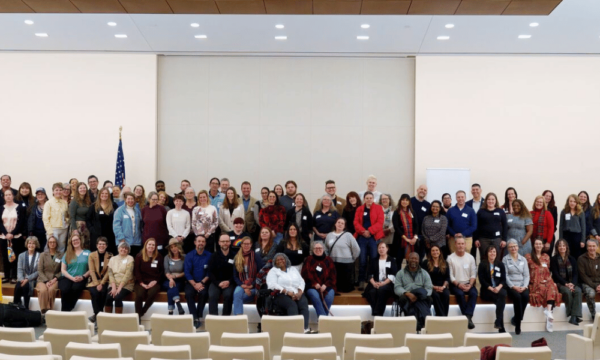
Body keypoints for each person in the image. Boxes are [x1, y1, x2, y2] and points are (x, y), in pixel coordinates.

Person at [267, 252, 311, 333]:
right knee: (292, 305)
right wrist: (287, 292)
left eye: (282, 259)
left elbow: (301, 281)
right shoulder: (273, 271)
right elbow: (272, 285)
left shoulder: (293, 269)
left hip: (297, 293)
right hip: (281, 294)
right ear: (275, 262)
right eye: (278, 260)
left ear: (286, 260)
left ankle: (304, 329)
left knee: (303, 304)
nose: (280, 261)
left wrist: (300, 292)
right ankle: (294, 330)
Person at [526, 238, 561, 332]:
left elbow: (547, 271)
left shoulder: (546, 256)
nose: (538, 246)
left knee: (552, 286)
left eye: (540, 244)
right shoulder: (528, 257)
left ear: (542, 245)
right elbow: (526, 272)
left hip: (546, 280)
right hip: (534, 282)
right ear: (534, 245)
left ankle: (549, 312)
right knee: (544, 288)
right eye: (536, 244)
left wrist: (547, 280)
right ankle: (549, 314)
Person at [354, 192, 385, 291]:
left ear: (373, 199)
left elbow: (380, 222)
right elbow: (356, 222)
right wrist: (363, 232)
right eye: (367, 198)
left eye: (371, 198)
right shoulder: (359, 209)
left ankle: (373, 280)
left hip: (373, 237)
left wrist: (370, 231)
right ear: (364, 199)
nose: (369, 200)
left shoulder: (378, 208)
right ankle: (361, 280)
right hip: (362, 237)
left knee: (373, 259)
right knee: (362, 260)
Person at [394, 252, 432, 330]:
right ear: (408, 259)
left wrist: (418, 296)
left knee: (428, 299)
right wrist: (407, 294)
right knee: (402, 299)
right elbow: (397, 288)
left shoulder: (424, 273)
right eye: (412, 258)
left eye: (416, 259)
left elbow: (429, 288)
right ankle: (421, 322)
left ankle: (416, 323)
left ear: (419, 260)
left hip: (420, 297)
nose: (414, 260)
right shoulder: (400, 273)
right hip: (407, 296)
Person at [447, 234, 477, 329]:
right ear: (455, 244)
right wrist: (459, 284)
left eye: (462, 244)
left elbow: (473, 274)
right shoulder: (450, 258)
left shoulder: (470, 257)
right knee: (460, 294)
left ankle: (467, 317)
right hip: (455, 284)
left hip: (468, 283)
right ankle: (468, 318)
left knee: (474, 293)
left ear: (465, 245)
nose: (460, 246)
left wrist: (470, 284)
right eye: (459, 244)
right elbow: (450, 276)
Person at [551, 239, 582, 325]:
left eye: (563, 245)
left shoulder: (572, 259)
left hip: (571, 283)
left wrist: (572, 284)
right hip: (560, 283)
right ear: (557, 247)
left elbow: (576, 273)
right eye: (560, 245)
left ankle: (573, 317)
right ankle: (573, 315)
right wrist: (566, 284)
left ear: (566, 247)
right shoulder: (553, 259)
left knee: (578, 291)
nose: (562, 247)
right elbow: (556, 274)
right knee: (567, 292)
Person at [502, 239, 530, 335]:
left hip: (522, 285)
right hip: (511, 286)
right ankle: (518, 324)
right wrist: (513, 286)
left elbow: (526, 275)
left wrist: (525, 286)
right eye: (511, 247)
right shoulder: (505, 259)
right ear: (508, 248)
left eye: (515, 246)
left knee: (526, 296)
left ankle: (516, 318)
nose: (513, 248)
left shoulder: (523, 259)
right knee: (517, 297)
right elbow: (505, 275)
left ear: (518, 247)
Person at [325, 218, 360, 293]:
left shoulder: (348, 235)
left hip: (346, 264)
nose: (340, 224)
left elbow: (356, 249)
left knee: (346, 288)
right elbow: (326, 249)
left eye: (342, 223)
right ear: (335, 224)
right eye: (338, 222)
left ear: (344, 226)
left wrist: (352, 259)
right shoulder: (329, 235)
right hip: (333, 263)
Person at [302, 242, 336, 318]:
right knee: (315, 296)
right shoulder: (308, 259)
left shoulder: (329, 260)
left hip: (327, 286)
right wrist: (314, 284)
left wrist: (325, 285)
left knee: (329, 297)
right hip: (311, 286)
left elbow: (333, 276)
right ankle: (324, 320)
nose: (318, 250)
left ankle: (321, 320)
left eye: (320, 248)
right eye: (316, 248)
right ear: (313, 250)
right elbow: (305, 274)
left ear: (323, 249)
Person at [363, 242, 397, 316]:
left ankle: (377, 313)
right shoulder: (373, 260)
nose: (381, 249)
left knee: (381, 290)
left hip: (387, 284)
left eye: (383, 247)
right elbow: (369, 274)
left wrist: (383, 283)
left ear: (387, 249)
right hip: (375, 283)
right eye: (379, 248)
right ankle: (377, 313)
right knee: (372, 292)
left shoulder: (392, 260)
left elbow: (393, 275)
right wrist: (374, 283)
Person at [478, 245, 507, 333]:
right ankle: (500, 325)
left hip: (498, 289)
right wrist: (491, 288)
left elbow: (503, 279)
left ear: (496, 253)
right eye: (490, 251)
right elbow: (481, 279)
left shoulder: (500, 264)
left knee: (502, 295)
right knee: (500, 300)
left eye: (494, 251)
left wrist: (498, 287)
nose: (492, 253)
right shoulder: (482, 264)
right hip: (487, 290)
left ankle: (499, 323)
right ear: (487, 253)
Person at [184, 235, 211, 329]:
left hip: (204, 282)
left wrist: (201, 283)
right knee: (188, 293)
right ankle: (194, 317)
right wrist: (195, 284)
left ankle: (199, 316)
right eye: (199, 241)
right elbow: (187, 272)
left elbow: (210, 272)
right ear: (195, 242)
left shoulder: (209, 255)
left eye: (203, 241)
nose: (201, 243)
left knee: (203, 293)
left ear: (205, 243)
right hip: (192, 282)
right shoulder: (189, 255)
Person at [59, 234, 91, 311]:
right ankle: (64, 312)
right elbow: (63, 270)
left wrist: (83, 277)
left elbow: (91, 269)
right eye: (73, 240)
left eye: (77, 239)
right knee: (65, 290)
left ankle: (68, 309)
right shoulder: (67, 253)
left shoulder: (88, 253)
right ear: (71, 243)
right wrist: (72, 278)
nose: (75, 241)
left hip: (82, 278)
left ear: (80, 240)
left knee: (75, 288)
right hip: (68, 277)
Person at [134, 238, 164, 321]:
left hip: (154, 281)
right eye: (149, 244)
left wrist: (155, 281)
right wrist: (142, 283)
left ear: (155, 247)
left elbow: (161, 272)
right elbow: (136, 271)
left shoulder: (159, 257)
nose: (151, 246)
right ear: (146, 245)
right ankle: (138, 317)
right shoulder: (139, 256)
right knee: (139, 295)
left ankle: (141, 312)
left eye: (153, 245)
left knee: (152, 293)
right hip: (141, 281)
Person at [0, 188, 26, 282]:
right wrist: (6, 233)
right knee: (5, 257)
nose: (8, 196)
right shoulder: (1, 208)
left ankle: (14, 276)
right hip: (4, 237)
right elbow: (0, 223)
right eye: (6, 195)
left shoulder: (19, 207)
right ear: (4, 197)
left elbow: (21, 222)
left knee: (15, 256)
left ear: (13, 196)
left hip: (16, 236)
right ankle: (7, 276)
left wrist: (13, 233)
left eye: (9, 195)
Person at [233, 237, 264, 315]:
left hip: (254, 285)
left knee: (239, 298)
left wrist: (251, 285)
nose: (246, 245)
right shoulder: (237, 257)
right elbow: (235, 275)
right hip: (241, 284)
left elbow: (260, 274)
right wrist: (242, 285)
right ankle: (238, 318)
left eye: (248, 244)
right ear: (241, 245)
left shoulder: (256, 256)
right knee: (237, 293)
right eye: (244, 244)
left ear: (251, 245)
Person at [207, 234, 236, 315]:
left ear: (230, 242)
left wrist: (229, 282)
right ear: (219, 243)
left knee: (228, 296)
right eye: (223, 241)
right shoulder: (214, 256)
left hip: (229, 282)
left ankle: (225, 320)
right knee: (212, 296)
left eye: (227, 241)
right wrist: (218, 283)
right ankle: (213, 320)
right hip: (216, 282)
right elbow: (210, 272)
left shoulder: (235, 256)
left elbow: (236, 272)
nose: (225, 243)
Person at [87, 237, 112, 322]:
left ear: (106, 246)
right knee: (95, 293)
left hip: (105, 280)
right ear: (97, 245)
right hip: (94, 280)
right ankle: (99, 315)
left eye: (103, 244)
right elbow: (92, 270)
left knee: (104, 292)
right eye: (100, 244)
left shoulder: (110, 256)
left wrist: (101, 284)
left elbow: (109, 272)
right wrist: (97, 284)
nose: (101, 246)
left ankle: (96, 316)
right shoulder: (91, 255)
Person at [105, 241, 135, 314]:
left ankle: (117, 319)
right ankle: (107, 319)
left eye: (126, 248)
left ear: (128, 251)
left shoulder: (130, 258)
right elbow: (110, 273)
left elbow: (128, 274)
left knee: (118, 297)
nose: (123, 249)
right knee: (108, 298)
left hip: (126, 285)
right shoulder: (112, 259)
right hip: (113, 284)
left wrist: (119, 288)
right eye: (122, 248)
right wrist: (114, 287)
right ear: (118, 249)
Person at [86, 187, 118, 254]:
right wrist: (92, 230)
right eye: (102, 193)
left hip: (110, 235)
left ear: (109, 195)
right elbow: (88, 219)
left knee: (109, 253)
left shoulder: (114, 206)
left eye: (106, 193)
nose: (104, 195)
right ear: (99, 195)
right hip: (96, 235)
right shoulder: (93, 206)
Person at [36, 236, 62, 314]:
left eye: (54, 242)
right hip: (42, 279)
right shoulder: (43, 255)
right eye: (50, 242)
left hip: (55, 279)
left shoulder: (61, 255)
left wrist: (55, 279)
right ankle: (43, 311)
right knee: (43, 290)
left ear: (56, 244)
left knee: (51, 290)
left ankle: (50, 311)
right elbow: (40, 270)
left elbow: (62, 270)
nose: (52, 244)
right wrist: (46, 281)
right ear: (48, 244)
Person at [392, 194, 419, 270]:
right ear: (400, 201)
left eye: (407, 200)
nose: (405, 202)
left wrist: (415, 237)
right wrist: (406, 239)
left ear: (409, 202)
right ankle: (398, 279)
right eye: (403, 200)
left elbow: (416, 225)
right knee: (398, 261)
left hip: (412, 241)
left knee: (411, 261)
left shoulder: (412, 212)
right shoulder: (396, 212)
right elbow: (396, 227)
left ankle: (410, 277)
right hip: (400, 241)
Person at [422, 245, 450, 317]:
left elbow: (447, 277)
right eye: (433, 250)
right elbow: (424, 278)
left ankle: (444, 316)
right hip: (430, 287)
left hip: (442, 286)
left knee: (446, 294)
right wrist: (434, 287)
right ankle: (442, 317)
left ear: (440, 252)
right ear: (430, 252)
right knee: (436, 295)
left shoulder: (445, 263)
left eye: (437, 250)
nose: (435, 252)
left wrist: (443, 287)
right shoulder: (425, 263)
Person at [113, 192, 143, 257]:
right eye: (128, 199)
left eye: (132, 199)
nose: (130, 201)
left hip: (136, 242)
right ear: (125, 200)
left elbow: (140, 225)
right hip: (124, 242)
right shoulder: (119, 211)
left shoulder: (137, 211)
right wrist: (121, 238)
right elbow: (116, 226)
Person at [14, 236, 40, 309]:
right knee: (18, 285)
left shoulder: (39, 256)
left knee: (26, 286)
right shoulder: (21, 255)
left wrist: (27, 279)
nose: (31, 245)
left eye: (33, 243)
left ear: (36, 245)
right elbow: (19, 270)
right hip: (22, 279)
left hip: (33, 279)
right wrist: (22, 280)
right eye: (29, 243)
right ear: (27, 244)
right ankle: (15, 304)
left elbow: (38, 271)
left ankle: (25, 307)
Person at [577, 238, 600, 321]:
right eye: (589, 246)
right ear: (587, 247)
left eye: (593, 246)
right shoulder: (581, 259)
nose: (591, 248)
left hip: (599, 283)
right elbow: (583, 276)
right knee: (591, 294)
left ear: (597, 247)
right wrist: (596, 286)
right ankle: (594, 315)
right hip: (586, 283)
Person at [43, 183, 69, 252]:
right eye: (56, 190)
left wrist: (67, 222)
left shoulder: (64, 203)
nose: (58, 192)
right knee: (51, 248)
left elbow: (66, 215)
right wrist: (49, 231)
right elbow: (45, 218)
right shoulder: (48, 203)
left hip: (64, 229)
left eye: (60, 190)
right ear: (53, 191)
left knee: (61, 248)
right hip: (53, 229)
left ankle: (59, 262)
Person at [163, 238, 186, 315]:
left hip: (180, 280)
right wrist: (171, 279)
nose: (173, 249)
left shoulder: (184, 257)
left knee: (171, 289)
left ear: (179, 246)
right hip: (168, 280)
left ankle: (170, 311)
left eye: (175, 246)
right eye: (171, 247)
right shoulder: (167, 257)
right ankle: (178, 304)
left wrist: (175, 277)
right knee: (171, 286)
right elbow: (166, 271)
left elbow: (186, 272)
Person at [559, 194, 586, 259]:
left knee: (577, 254)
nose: (572, 203)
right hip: (567, 236)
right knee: (567, 254)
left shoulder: (580, 212)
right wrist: (560, 239)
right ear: (568, 202)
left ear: (577, 202)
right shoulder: (564, 211)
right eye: (570, 201)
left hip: (577, 236)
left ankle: (575, 268)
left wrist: (583, 240)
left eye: (574, 201)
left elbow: (583, 227)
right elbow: (561, 226)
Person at [542, 190, 559, 254]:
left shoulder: (554, 208)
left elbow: (555, 223)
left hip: (550, 236)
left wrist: (549, 236)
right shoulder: (539, 206)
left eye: (550, 196)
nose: (548, 197)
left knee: (548, 255)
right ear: (543, 196)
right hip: (539, 236)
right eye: (547, 196)